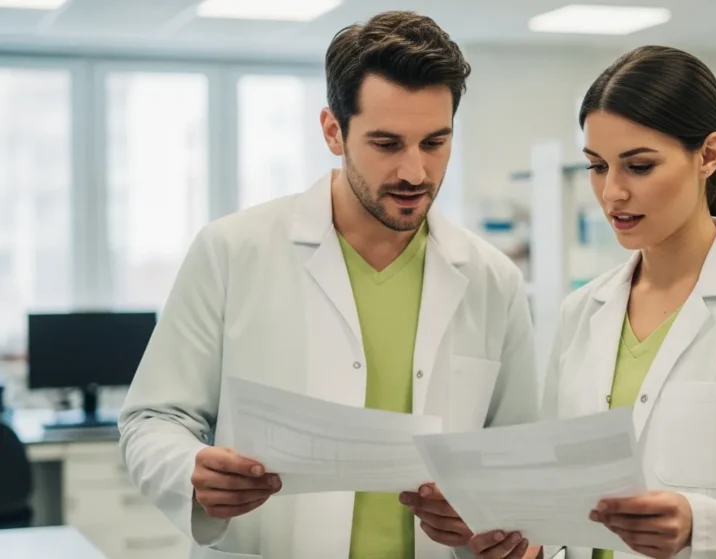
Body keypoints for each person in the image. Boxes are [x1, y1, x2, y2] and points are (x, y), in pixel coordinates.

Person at [118, 11, 539, 559]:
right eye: (386, 144)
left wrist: (496, 519)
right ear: (332, 130)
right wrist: (190, 471)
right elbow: (153, 417)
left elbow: (519, 456)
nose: (415, 172)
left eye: (435, 142)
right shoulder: (232, 251)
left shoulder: (492, 280)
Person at [471, 46, 716, 559]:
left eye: (639, 166)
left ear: (708, 155)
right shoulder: (581, 312)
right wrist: (532, 549)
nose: (611, 193)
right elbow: (562, 505)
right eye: (597, 166)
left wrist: (699, 525)